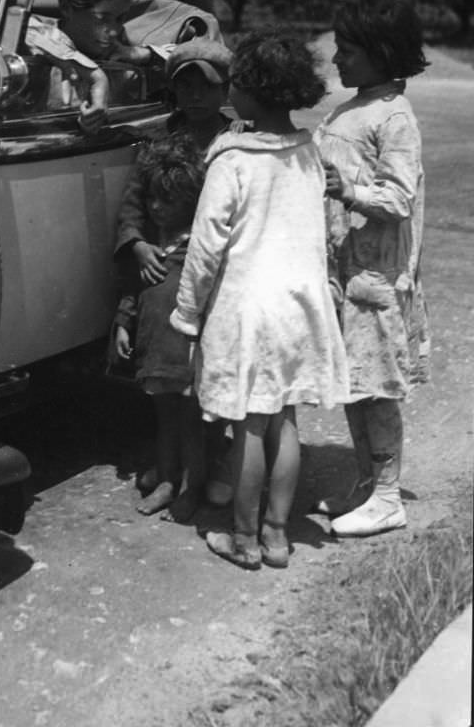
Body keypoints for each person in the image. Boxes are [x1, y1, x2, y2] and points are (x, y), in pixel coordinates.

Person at [170, 28, 349, 570]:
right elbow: (323, 231)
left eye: (238, 83)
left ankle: (243, 537)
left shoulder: (232, 160)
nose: (231, 93)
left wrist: (187, 313)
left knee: (248, 424)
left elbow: (205, 248)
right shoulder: (309, 155)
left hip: (248, 308)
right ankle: (277, 534)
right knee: (285, 419)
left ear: (253, 91)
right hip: (300, 305)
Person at [313, 0, 430, 537]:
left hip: (377, 276)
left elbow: (399, 197)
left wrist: (347, 191)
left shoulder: (394, 115)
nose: (337, 58)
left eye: (348, 50)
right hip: (347, 272)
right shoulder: (352, 108)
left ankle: (389, 496)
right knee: (356, 386)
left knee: (377, 389)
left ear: (382, 52)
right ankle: (367, 482)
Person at [114, 38, 236, 505]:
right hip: (161, 276)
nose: (194, 96)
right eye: (184, 85)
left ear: (224, 89)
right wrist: (139, 244)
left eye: (205, 86)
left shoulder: (234, 142)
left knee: (209, 386)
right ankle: (170, 470)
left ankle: (208, 466)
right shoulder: (157, 142)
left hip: (215, 279)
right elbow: (133, 206)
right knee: (165, 384)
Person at [113, 139, 206, 522]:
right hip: (156, 353)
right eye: (152, 198)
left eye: (166, 201)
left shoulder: (201, 249)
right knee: (165, 421)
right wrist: (123, 324)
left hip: (187, 354)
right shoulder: (153, 248)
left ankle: (193, 488)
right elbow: (136, 291)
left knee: (192, 424)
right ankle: (168, 481)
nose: (155, 207)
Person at [25, 0, 165, 135]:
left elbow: (196, 55)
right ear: (66, 8)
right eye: (103, 19)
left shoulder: (122, 47)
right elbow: (26, 30)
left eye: (120, 19)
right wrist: (96, 76)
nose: (114, 30)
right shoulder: (38, 39)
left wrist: (143, 55)